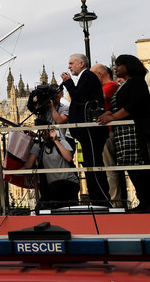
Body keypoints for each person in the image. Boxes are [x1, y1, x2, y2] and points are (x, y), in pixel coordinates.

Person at [97, 55, 150, 212]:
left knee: (138, 168)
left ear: (128, 66)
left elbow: (134, 106)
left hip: (133, 133)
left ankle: (147, 204)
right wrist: (109, 113)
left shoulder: (136, 82)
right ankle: (144, 203)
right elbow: (120, 105)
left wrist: (112, 117)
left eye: (119, 65)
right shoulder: (125, 85)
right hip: (124, 134)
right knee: (131, 168)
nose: (115, 68)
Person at [61, 53, 110, 204]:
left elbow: (78, 97)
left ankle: (101, 199)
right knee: (90, 164)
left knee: (94, 164)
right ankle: (97, 198)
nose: (69, 66)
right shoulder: (86, 77)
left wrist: (68, 83)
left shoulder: (88, 76)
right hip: (87, 132)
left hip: (91, 131)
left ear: (81, 64)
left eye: (71, 63)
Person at [91, 63, 125, 208]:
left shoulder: (111, 85)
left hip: (108, 131)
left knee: (110, 169)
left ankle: (115, 203)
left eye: (92, 76)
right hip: (104, 132)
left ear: (99, 74)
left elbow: (98, 98)